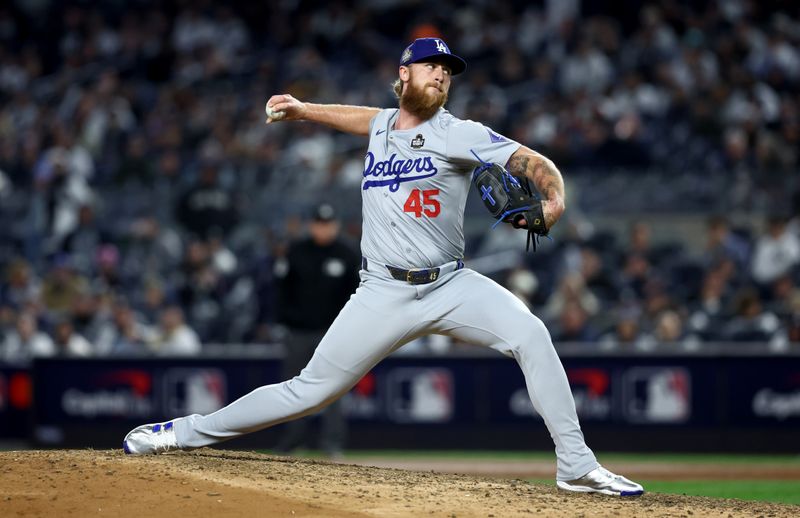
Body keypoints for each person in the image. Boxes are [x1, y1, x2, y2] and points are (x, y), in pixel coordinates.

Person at [123, 37, 644, 497]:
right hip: (381, 291)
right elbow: (362, 117)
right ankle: (181, 433)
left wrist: (553, 199)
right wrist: (305, 111)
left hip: (451, 283)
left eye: (448, 70)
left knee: (531, 333)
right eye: (431, 66)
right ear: (404, 74)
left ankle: (577, 466)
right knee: (309, 393)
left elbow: (531, 161)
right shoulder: (381, 126)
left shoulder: (460, 133)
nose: (441, 74)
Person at [273, 203, 360, 457]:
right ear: (311, 225)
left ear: (336, 225)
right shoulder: (296, 251)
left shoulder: (347, 253)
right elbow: (281, 291)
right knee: (292, 388)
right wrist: (284, 322)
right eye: (319, 224)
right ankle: (292, 440)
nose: (323, 229)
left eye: (328, 224)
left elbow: (357, 294)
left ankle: (332, 443)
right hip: (298, 332)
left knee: (333, 389)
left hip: (332, 333)